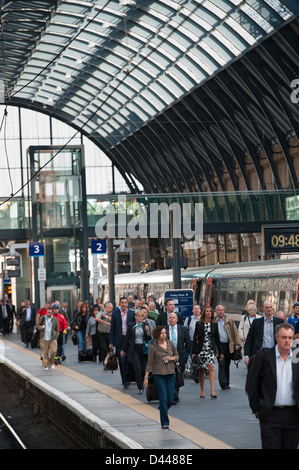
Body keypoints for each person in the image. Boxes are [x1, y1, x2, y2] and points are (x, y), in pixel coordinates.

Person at [246, 323, 299, 449]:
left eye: (290, 338)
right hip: (270, 414)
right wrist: (256, 408)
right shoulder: (263, 356)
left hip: (293, 415)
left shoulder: (297, 357)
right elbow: (252, 383)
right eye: (284, 337)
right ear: (277, 337)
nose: (287, 341)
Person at [143, 325, 179, 430]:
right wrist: (146, 377)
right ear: (157, 335)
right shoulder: (153, 347)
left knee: (170, 399)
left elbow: (177, 356)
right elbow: (149, 363)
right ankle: (165, 422)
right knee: (163, 399)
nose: (164, 335)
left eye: (165, 333)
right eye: (162, 333)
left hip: (171, 373)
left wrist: (171, 358)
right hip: (158, 375)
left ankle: (162, 409)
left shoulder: (170, 344)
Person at [192, 305, 223, 399]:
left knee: (211, 367)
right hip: (201, 349)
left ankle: (212, 391)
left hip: (210, 349)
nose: (209, 313)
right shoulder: (199, 324)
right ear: (204, 313)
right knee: (201, 370)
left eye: (210, 311)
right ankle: (202, 390)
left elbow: (217, 339)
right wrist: (194, 352)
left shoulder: (215, 324)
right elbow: (195, 338)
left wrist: (220, 352)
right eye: (207, 311)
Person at [244, 300, 284, 366]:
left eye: (270, 307)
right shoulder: (256, 322)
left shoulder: (279, 322)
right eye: (267, 307)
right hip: (260, 354)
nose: (269, 309)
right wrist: (246, 355)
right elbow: (249, 340)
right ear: (263, 308)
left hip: (275, 354)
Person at [121, 310, 152, 394]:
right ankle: (140, 387)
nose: (140, 318)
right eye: (139, 316)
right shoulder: (131, 325)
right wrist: (123, 349)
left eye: (142, 316)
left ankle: (143, 381)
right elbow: (127, 338)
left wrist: (148, 332)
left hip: (143, 348)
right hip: (134, 348)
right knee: (137, 368)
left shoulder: (146, 325)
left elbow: (149, 339)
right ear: (135, 317)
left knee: (143, 369)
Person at [109, 297, 135, 388]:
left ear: (127, 304)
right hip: (119, 340)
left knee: (130, 361)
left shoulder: (132, 313)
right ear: (119, 304)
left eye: (125, 302)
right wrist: (111, 342)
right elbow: (112, 328)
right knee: (122, 361)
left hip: (129, 340)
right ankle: (125, 381)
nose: (124, 304)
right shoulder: (115, 314)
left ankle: (129, 377)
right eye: (122, 302)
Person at [215, 305, 241, 390]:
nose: (221, 312)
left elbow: (235, 332)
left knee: (227, 364)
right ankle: (222, 382)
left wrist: (237, 343)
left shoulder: (229, 320)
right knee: (221, 364)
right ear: (216, 311)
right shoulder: (213, 321)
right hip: (219, 346)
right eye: (219, 310)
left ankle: (227, 382)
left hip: (228, 345)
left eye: (222, 310)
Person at [167, 312, 191, 404]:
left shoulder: (183, 329)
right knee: (170, 377)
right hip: (168, 358)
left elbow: (188, 343)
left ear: (177, 319)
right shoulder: (164, 329)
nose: (172, 319)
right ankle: (173, 396)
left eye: (173, 318)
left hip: (180, 358)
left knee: (178, 377)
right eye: (170, 318)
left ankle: (175, 394)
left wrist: (184, 356)